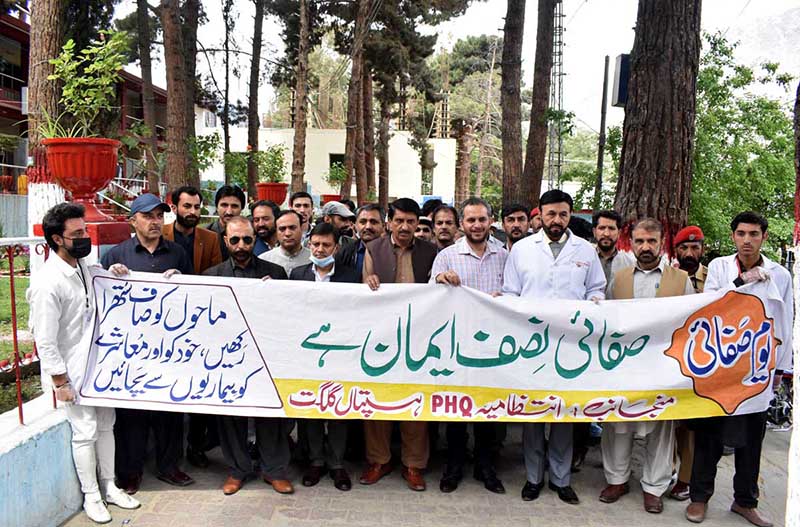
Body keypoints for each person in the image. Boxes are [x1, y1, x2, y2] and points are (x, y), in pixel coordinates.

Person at [29, 203, 141, 523]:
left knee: (107, 424)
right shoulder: (48, 282)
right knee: (85, 431)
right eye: (76, 233)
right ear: (56, 239)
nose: (84, 238)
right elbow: (46, 340)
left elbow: (97, 288)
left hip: (99, 365)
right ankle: (91, 495)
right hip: (73, 372)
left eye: (85, 231)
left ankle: (110, 486)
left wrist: (114, 273)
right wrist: (60, 381)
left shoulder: (82, 265)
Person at [686, 211, 793, 527]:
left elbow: (784, 321)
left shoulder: (779, 275)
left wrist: (780, 368)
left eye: (754, 234)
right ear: (733, 236)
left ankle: (745, 501)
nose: (748, 240)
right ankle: (699, 498)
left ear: (764, 237)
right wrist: (741, 281)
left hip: (758, 368)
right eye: (742, 234)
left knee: (751, 439)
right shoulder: (719, 267)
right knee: (709, 437)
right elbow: (711, 305)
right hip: (721, 363)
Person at [502, 189, 606, 505]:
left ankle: (561, 480)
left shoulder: (586, 251)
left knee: (563, 414)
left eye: (563, 214)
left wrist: (593, 304)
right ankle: (533, 478)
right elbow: (510, 292)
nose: (556, 220)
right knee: (534, 414)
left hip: (571, 347)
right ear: (540, 215)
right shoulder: (521, 250)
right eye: (551, 214)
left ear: (570, 215)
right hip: (532, 346)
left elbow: (597, 289)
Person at [101, 193, 194, 494]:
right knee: (132, 415)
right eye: (148, 216)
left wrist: (181, 279)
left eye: (159, 216)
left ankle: (169, 467)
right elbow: (102, 301)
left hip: (170, 347)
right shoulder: (116, 256)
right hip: (131, 351)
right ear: (132, 221)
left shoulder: (177, 253)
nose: (155, 222)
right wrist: (111, 278)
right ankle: (130, 472)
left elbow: (194, 296)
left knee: (170, 409)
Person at [601, 218, 695, 514]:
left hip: (663, 369)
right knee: (618, 424)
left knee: (661, 428)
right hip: (624, 366)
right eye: (639, 241)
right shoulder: (620, 278)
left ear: (661, 243)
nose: (645, 247)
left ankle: (654, 487)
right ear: (632, 242)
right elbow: (606, 321)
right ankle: (617, 480)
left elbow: (691, 324)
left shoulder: (681, 280)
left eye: (651, 241)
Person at [202, 216, 295, 495]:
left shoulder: (275, 273)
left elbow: (287, 314)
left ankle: (274, 470)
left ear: (255, 240)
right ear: (225, 240)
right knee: (231, 417)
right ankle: (237, 470)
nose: (241, 245)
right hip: (226, 359)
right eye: (235, 240)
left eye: (247, 239)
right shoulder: (211, 276)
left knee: (270, 414)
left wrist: (273, 294)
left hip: (265, 356)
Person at [431, 198, 508, 495]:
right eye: (471, 220)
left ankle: (486, 467)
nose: (476, 225)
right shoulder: (448, 255)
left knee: (487, 409)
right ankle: (453, 467)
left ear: (491, 221)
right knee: (457, 410)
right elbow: (430, 293)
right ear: (461, 223)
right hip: (456, 344)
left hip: (494, 345)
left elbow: (515, 293)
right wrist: (440, 278)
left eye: (482, 219)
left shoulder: (504, 256)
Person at [360, 198, 438, 491]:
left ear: (418, 223)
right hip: (381, 338)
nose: (405, 227)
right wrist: (368, 284)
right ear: (389, 222)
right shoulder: (373, 249)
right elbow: (362, 287)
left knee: (414, 401)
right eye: (399, 220)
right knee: (377, 399)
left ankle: (414, 465)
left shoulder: (432, 252)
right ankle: (379, 460)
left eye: (411, 221)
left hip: (420, 338)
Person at [290, 223, 361, 491]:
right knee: (312, 410)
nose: (320, 250)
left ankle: (337, 464)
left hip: (340, 352)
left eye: (326, 245)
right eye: (316, 244)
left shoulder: (351, 276)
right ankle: (316, 461)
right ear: (309, 244)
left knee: (338, 410)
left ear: (336, 247)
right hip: (308, 353)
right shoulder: (297, 275)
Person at [163, 185, 224, 469]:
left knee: (201, 388)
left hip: (202, 324)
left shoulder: (211, 239)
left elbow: (215, 279)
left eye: (197, 207)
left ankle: (197, 446)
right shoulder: (160, 234)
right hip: (166, 326)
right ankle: (169, 453)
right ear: (174, 207)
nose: (193, 212)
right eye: (187, 207)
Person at [670, 224, 708, 501]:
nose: (690, 252)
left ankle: (686, 478)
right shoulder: (668, 278)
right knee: (671, 421)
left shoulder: (715, 279)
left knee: (691, 426)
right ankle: (669, 472)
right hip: (670, 358)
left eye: (695, 247)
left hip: (700, 360)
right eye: (684, 247)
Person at [259, 210, 311, 275]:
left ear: (301, 229)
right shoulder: (263, 261)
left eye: (292, 228)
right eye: (282, 229)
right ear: (276, 232)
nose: (287, 233)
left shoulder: (313, 259)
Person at [337, 204, 385, 275]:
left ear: (383, 226)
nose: (368, 227)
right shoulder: (345, 252)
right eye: (363, 222)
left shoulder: (392, 252)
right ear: (355, 225)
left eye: (373, 222)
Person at [592, 210, 634, 285]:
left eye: (611, 228)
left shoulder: (629, 264)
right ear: (594, 232)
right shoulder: (584, 259)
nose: (606, 234)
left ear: (619, 233)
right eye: (602, 228)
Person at [207, 185, 246, 259]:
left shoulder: (251, 234)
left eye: (234, 206)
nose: (229, 212)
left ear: (242, 208)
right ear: (217, 207)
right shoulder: (205, 235)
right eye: (224, 205)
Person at [674, 225, 707, 293]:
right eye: (683, 248)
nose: (689, 254)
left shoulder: (712, 278)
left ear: (703, 250)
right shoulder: (666, 277)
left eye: (695, 248)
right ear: (675, 251)